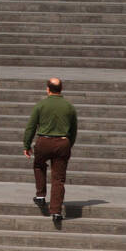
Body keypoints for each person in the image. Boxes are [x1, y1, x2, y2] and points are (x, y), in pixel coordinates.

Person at [24, 77, 77, 228]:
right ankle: (56, 211)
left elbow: (31, 126)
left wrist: (26, 145)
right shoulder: (69, 107)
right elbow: (74, 130)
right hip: (63, 142)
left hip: (44, 141)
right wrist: (68, 144)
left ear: (48, 89)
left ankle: (40, 195)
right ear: (61, 89)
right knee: (58, 179)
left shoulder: (41, 105)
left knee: (39, 165)